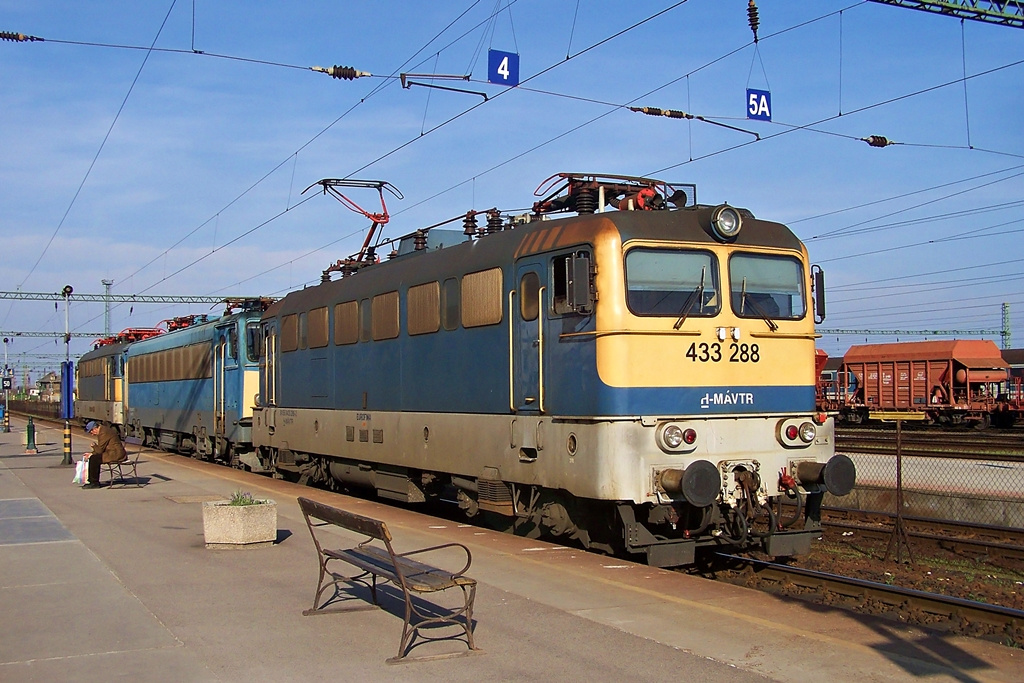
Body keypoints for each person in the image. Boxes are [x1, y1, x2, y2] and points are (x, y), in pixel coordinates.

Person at [82, 420, 126, 489]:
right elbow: (101, 449)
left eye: (91, 431)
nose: (92, 434)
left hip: (116, 454)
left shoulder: (103, 433)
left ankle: (94, 483)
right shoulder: (103, 430)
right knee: (94, 457)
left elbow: (100, 450)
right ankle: (92, 481)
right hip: (112, 452)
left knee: (94, 459)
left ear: (95, 428)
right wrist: (91, 453)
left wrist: (94, 446)